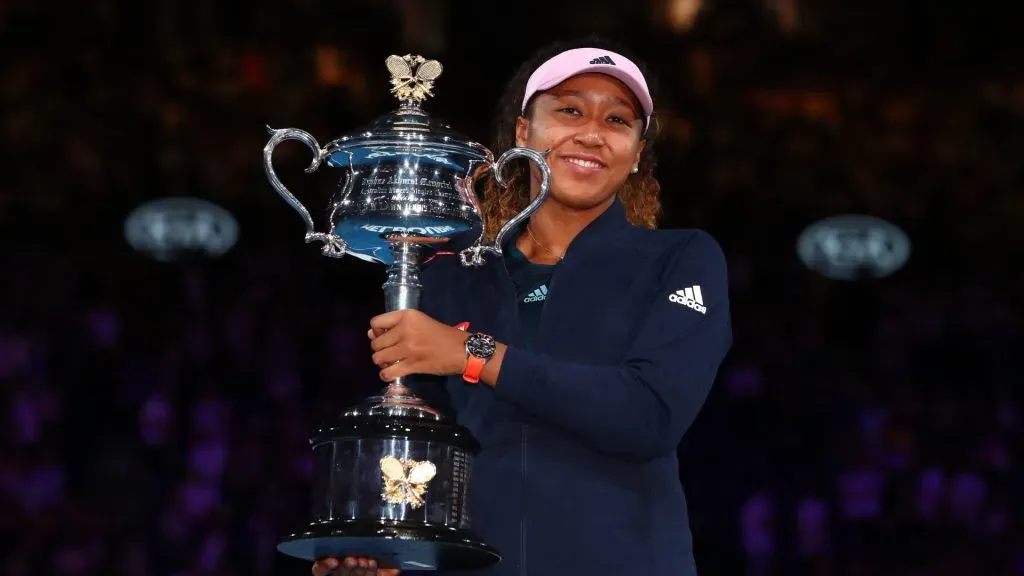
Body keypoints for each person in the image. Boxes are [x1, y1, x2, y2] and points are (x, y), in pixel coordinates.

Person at [313, 37, 732, 576]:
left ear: (636, 157)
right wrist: (385, 544)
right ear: (522, 133)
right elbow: (425, 457)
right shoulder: (450, 274)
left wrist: (472, 353)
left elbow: (648, 416)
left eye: (618, 121)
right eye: (570, 110)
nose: (591, 133)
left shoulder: (681, 258)